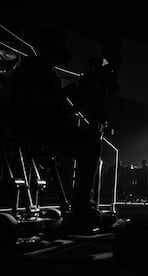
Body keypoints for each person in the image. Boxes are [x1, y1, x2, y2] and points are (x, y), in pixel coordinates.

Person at [8, 27, 109, 230]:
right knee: (90, 146)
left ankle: (81, 206)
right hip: (34, 127)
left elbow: (56, 112)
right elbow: (32, 103)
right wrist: (64, 95)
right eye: (60, 45)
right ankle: (81, 207)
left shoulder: (44, 70)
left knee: (90, 143)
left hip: (45, 126)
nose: (64, 49)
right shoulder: (34, 68)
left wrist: (81, 99)